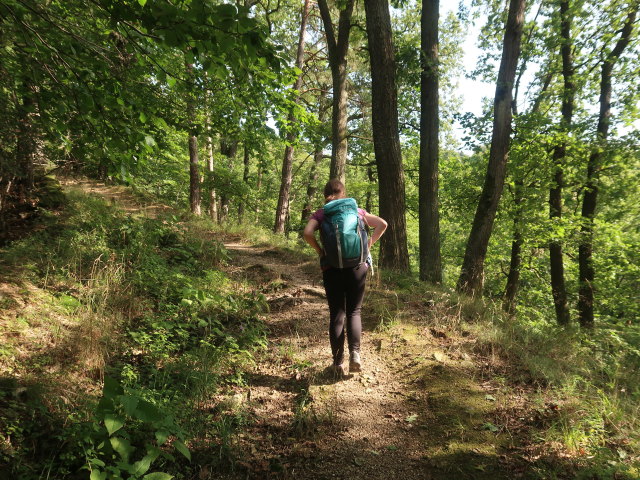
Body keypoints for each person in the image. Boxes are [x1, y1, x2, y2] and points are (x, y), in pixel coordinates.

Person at [303, 179, 387, 376]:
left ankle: (337, 363)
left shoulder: (322, 213)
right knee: (354, 312)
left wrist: (320, 251)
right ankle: (355, 356)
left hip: (331, 267)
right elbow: (382, 224)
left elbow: (307, 233)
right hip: (357, 267)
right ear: (343, 192)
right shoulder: (357, 210)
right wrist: (368, 246)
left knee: (337, 314)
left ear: (325, 194)